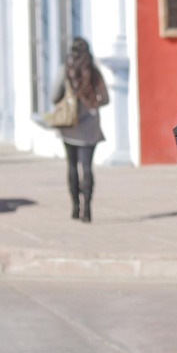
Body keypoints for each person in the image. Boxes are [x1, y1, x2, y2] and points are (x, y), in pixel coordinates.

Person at [55, 37, 109, 222]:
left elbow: (55, 95)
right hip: (90, 127)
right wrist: (91, 103)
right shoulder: (94, 73)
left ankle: (75, 207)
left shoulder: (65, 72)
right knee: (87, 167)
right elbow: (106, 99)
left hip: (70, 126)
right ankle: (87, 209)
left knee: (71, 165)